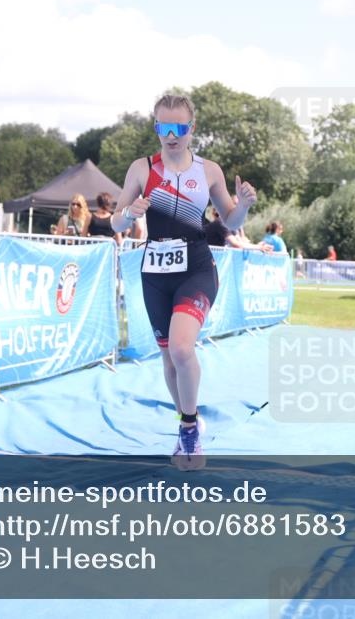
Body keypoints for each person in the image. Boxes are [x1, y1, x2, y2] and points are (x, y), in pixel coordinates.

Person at [111, 93, 257, 470]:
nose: (171, 135)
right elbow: (115, 222)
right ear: (156, 127)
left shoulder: (209, 171)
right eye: (164, 127)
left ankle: (190, 431)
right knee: (169, 358)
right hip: (155, 273)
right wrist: (129, 213)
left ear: (192, 129)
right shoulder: (141, 169)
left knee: (180, 347)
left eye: (179, 128)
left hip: (196, 268)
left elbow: (232, 221)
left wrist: (242, 205)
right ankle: (185, 423)